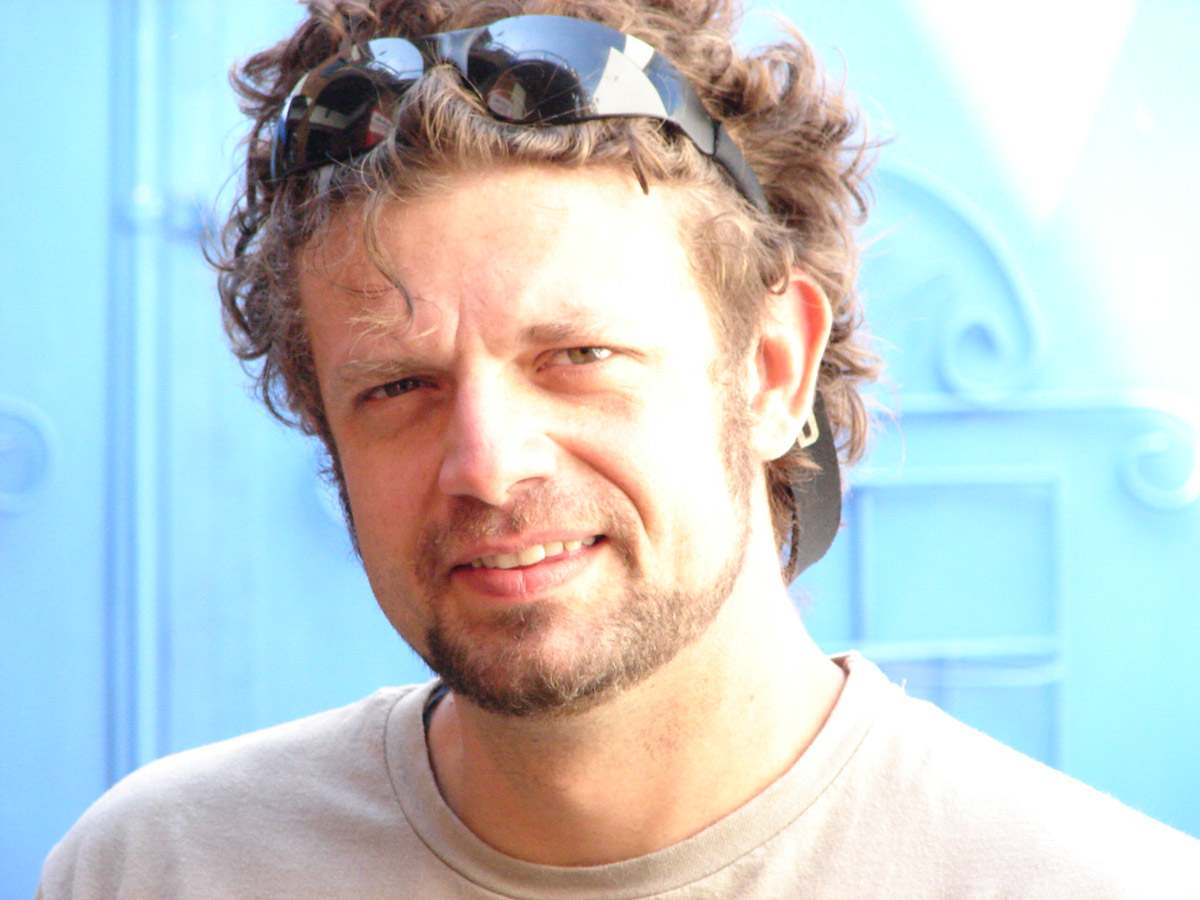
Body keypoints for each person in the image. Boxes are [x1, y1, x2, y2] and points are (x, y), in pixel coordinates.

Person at [40, 0, 1198, 896]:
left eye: (578, 355)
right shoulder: (158, 869)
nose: (488, 464)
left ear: (773, 369)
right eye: (398, 386)